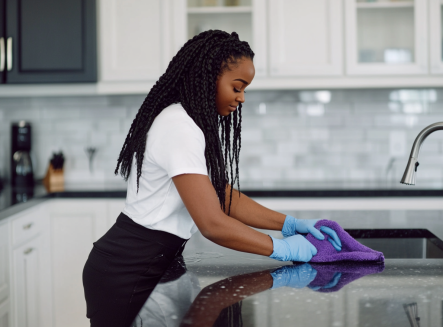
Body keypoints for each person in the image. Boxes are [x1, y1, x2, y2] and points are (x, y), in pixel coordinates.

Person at [82, 29, 341, 327]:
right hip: (127, 271)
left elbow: (221, 195)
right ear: (209, 77)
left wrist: (289, 223)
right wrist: (281, 247)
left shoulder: (189, 123)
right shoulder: (178, 126)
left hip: (154, 263)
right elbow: (212, 223)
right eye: (238, 86)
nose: (242, 98)